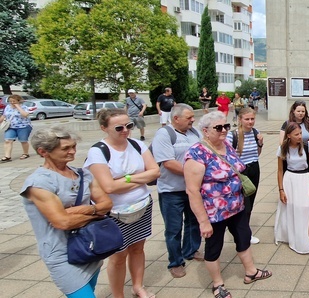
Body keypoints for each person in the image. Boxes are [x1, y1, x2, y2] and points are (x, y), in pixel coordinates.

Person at [184, 111, 272, 298]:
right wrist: (203, 221)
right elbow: (192, 191)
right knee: (214, 246)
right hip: (214, 212)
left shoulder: (225, 145)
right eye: (219, 127)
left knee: (244, 237)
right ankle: (217, 284)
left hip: (237, 206)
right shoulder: (197, 153)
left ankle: (251, 271)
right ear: (206, 131)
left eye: (226, 126)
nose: (224, 130)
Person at [21, 127, 113, 297]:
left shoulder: (83, 174)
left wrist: (85, 209)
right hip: (61, 254)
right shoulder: (38, 182)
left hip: (89, 247)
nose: (72, 152)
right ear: (43, 152)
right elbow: (62, 222)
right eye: (65, 148)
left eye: (73, 146)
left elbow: (107, 203)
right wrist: (96, 214)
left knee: (89, 291)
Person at [84, 108, 160, 298]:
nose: (125, 130)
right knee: (118, 256)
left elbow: (155, 172)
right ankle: (118, 295)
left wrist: (124, 180)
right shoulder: (98, 151)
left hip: (142, 205)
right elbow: (108, 187)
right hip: (115, 213)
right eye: (119, 127)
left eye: (129, 125)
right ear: (104, 128)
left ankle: (138, 286)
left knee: (138, 248)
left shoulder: (136, 145)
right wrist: (136, 178)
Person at [151, 104, 203, 278]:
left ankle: (191, 250)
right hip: (171, 191)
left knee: (193, 222)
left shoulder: (194, 133)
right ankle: (175, 262)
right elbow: (169, 163)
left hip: (192, 189)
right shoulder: (164, 134)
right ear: (176, 118)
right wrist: (195, 172)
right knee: (173, 229)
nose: (192, 120)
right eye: (189, 118)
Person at [275, 122, 309, 254]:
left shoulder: (307, 146)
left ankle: (306, 236)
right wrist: (281, 190)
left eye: (300, 133)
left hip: (304, 178)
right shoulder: (283, 148)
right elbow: (280, 171)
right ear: (288, 136)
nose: (300, 136)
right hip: (290, 179)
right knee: (291, 207)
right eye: (296, 134)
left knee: (305, 207)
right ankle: (290, 235)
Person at [226, 107, 264, 245]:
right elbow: (228, 156)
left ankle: (242, 231)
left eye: (252, 119)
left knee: (251, 202)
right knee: (244, 204)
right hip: (241, 172)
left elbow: (257, 154)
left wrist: (260, 143)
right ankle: (244, 234)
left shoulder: (255, 132)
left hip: (254, 168)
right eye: (247, 119)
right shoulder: (233, 135)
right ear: (240, 120)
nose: (250, 122)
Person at [0, 94, 32, 162]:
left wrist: (18, 106)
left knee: (23, 141)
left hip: (23, 126)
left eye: (14, 101)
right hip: (10, 127)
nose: (12, 103)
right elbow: (4, 115)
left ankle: (25, 153)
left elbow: (25, 115)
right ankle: (7, 156)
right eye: (10, 101)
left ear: (19, 101)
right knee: (8, 140)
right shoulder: (8, 107)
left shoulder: (24, 107)